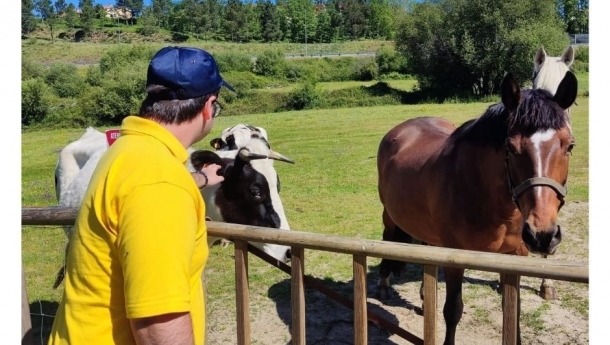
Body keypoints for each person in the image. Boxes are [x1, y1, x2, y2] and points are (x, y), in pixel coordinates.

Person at [48, 46, 234, 345]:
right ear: (208, 106)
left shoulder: (128, 150)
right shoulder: (158, 182)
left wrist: (199, 179)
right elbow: (158, 322)